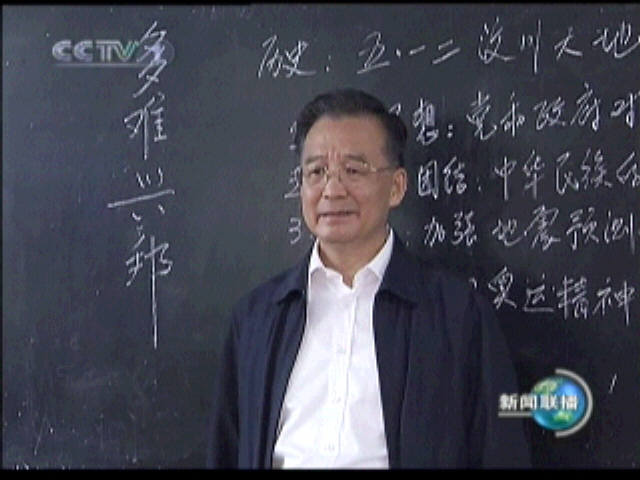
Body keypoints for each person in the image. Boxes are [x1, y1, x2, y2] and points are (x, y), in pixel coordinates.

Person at [207, 88, 531, 468]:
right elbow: (226, 449)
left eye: (354, 171)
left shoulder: (459, 317)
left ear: (396, 187)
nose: (332, 190)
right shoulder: (256, 318)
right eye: (316, 172)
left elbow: (499, 451)